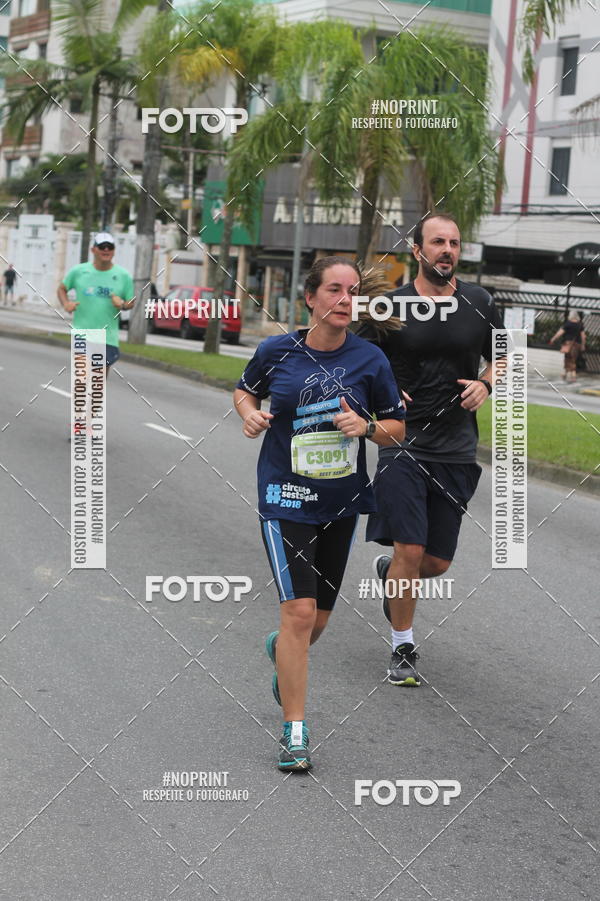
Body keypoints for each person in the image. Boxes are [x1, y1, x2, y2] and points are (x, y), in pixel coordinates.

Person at [234, 256, 405, 772]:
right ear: (310, 298)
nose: (345, 300)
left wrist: (366, 428)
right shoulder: (276, 351)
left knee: (318, 621)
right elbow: (245, 390)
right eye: (334, 289)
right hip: (285, 496)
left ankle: (284, 653)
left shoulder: (371, 359)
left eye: (353, 291)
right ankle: (295, 732)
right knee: (300, 614)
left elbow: (396, 427)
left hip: (341, 501)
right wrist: (250, 414)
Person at [357, 213, 503, 687]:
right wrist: (380, 388)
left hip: (457, 445)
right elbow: (354, 359)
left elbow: (506, 354)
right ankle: (403, 646)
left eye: (454, 243)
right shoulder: (390, 306)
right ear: (417, 250)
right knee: (411, 547)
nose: (447, 250)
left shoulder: (479, 301)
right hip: (403, 440)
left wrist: (486, 383)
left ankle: (391, 574)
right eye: (438, 242)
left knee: (435, 562)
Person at [57, 232, 135, 377]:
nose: (106, 250)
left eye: (110, 247)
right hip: (82, 334)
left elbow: (131, 302)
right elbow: (62, 289)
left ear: (114, 251)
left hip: (107, 337)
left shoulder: (123, 276)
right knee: (82, 380)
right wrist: (66, 304)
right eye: (102, 246)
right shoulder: (79, 271)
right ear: (93, 250)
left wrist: (122, 304)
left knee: (97, 383)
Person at [549, 311, 586, 383]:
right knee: (572, 358)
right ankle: (565, 374)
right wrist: (583, 345)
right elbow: (583, 336)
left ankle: (573, 375)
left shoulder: (567, 324)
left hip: (568, 344)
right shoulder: (580, 325)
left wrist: (553, 339)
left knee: (569, 359)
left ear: (570, 316)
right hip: (577, 344)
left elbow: (559, 333)